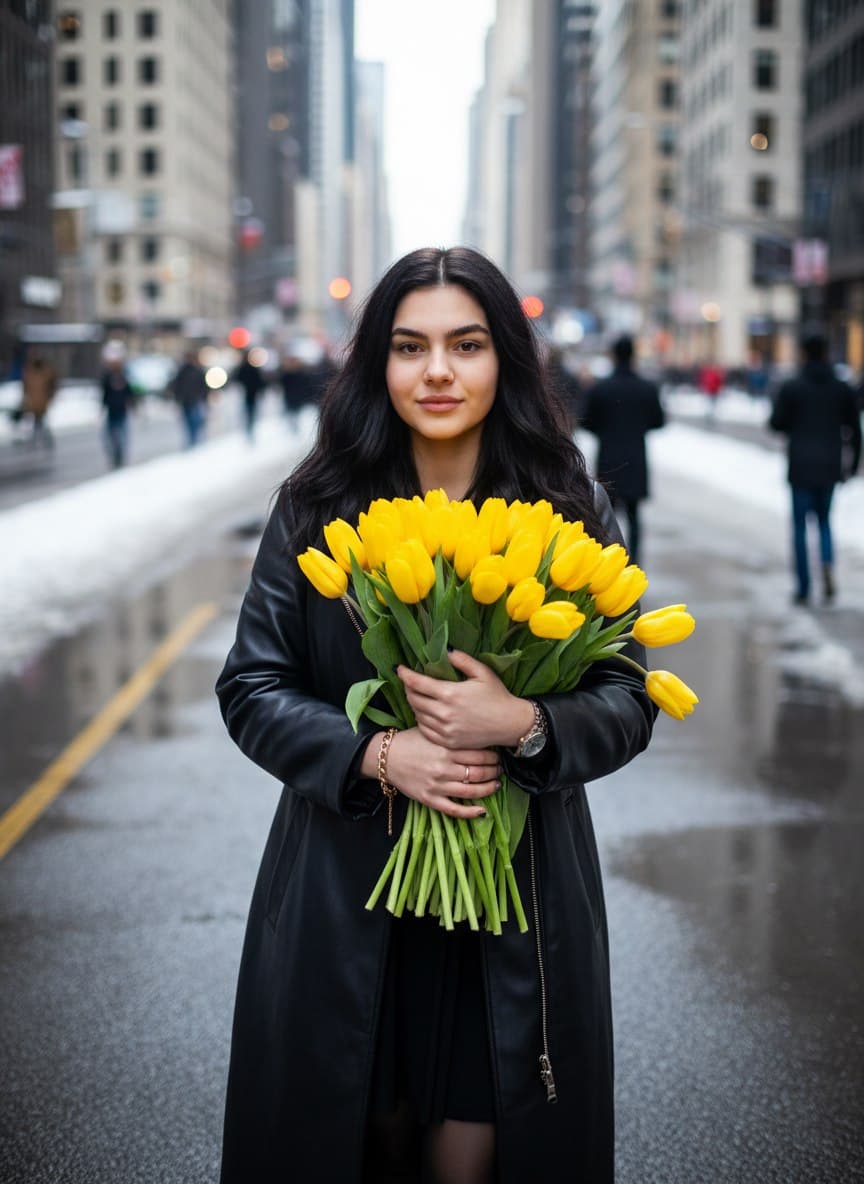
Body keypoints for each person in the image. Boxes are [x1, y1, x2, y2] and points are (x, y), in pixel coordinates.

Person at [215, 247, 656, 1184]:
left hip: (517, 896)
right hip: (347, 888)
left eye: (468, 344)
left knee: (484, 1136)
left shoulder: (571, 512)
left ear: (508, 361)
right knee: (360, 1127)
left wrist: (526, 724)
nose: (440, 372)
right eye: (410, 347)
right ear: (379, 363)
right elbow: (251, 689)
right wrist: (378, 756)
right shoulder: (317, 511)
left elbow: (626, 699)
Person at [769, 333, 862, 605]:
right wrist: (853, 464)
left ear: (804, 353)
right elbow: (855, 430)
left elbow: (776, 423)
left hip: (800, 465)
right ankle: (827, 564)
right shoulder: (840, 387)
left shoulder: (793, 387)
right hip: (830, 465)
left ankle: (803, 586)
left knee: (799, 526)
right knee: (824, 522)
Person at [581, 335, 665, 565]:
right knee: (634, 515)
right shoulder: (646, 388)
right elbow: (659, 421)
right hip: (636, 457)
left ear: (613, 355)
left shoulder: (601, 388)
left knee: (606, 516)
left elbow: (585, 420)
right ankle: (635, 561)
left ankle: (609, 563)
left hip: (609, 457)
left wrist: (605, 430)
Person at [100, 354, 136, 468]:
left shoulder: (123, 377)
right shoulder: (109, 377)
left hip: (120, 410)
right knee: (112, 435)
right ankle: (116, 454)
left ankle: (120, 454)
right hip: (113, 410)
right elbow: (105, 394)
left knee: (119, 434)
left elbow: (129, 393)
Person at [169, 349, 209, 447]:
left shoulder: (195, 370)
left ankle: (194, 441)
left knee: (194, 420)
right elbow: (176, 386)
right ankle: (192, 441)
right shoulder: (184, 371)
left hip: (193, 400)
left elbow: (204, 386)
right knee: (191, 421)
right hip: (188, 400)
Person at [20, 350, 58, 449]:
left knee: (40, 422)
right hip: (34, 402)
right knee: (37, 422)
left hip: (42, 402)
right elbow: (25, 387)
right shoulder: (30, 372)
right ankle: (38, 441)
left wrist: (50, 397)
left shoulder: (46, 372)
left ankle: (43, 440)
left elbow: (53, 385)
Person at [230, 348, 267, 440]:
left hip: (247, 394)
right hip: (251, 394)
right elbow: (260, 381)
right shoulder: (253, 368)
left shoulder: (242, 368)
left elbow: (236, 379)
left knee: (248, 413)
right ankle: (250, 430)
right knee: (251, 413)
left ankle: (249, 430)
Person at [276, 351, 314, 428]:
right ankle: (292, 426)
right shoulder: (288, 374)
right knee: (291, 413)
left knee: (295, 413)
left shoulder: (300, 374)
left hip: (296, 397)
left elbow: (306, 385)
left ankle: (293, 426)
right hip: (291, 397)